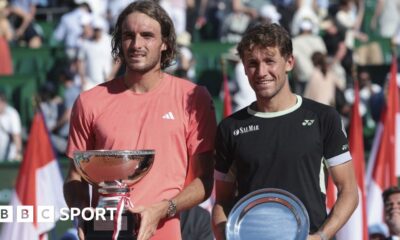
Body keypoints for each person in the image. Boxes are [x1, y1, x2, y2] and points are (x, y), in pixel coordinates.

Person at [63, 1, 217, 240]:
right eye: (128, 36)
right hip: (105, 231)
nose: (136, 45)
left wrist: (165, 208)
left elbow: (204, 180)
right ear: (119, 41)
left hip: (165, 231)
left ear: (165, 42)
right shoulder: (89, 101)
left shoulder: (193, 98)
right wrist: (82, 212)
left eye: (147, 36)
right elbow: (75, 176)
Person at [212, 23, 358, 240]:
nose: (261, 72)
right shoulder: (230, 128)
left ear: (289, 63)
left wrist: (320, 236)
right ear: (243, 68)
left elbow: (349, 192)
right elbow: (222, 201)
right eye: (252, 63)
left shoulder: (323, 117)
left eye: (270, 61)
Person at [0, 89, 22, 161]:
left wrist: (18, 152)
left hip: (10, 156)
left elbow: (16, 135)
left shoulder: (12, 113)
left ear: (3, 102)